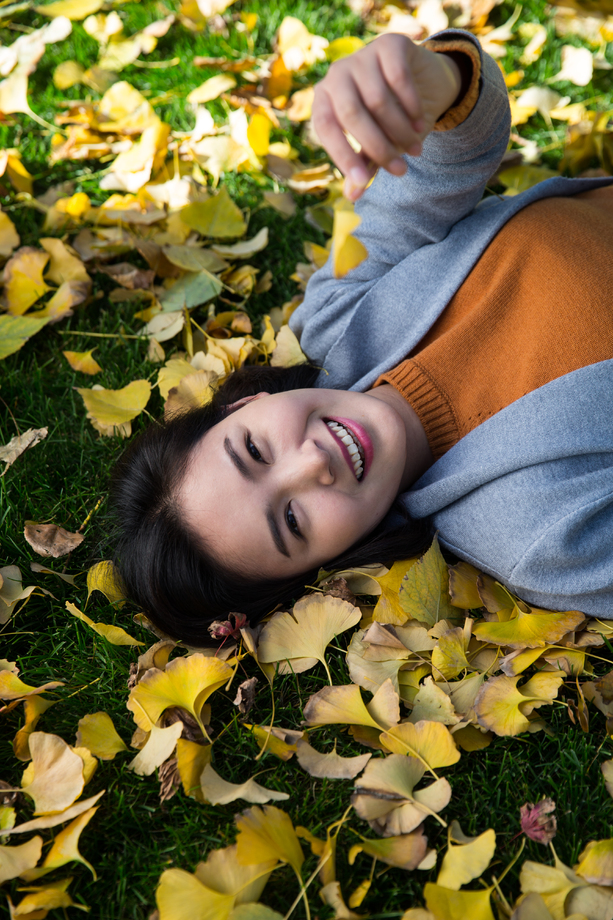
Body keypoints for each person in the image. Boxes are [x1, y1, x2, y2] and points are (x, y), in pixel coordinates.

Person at [111, 28, 613, 645]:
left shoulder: (336, 320)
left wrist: (435, 83)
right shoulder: (539, 539)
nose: (312, 461)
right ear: (328, 569)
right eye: (292, 521)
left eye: (255, 452)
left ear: (245, 404)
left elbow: (440, 162)